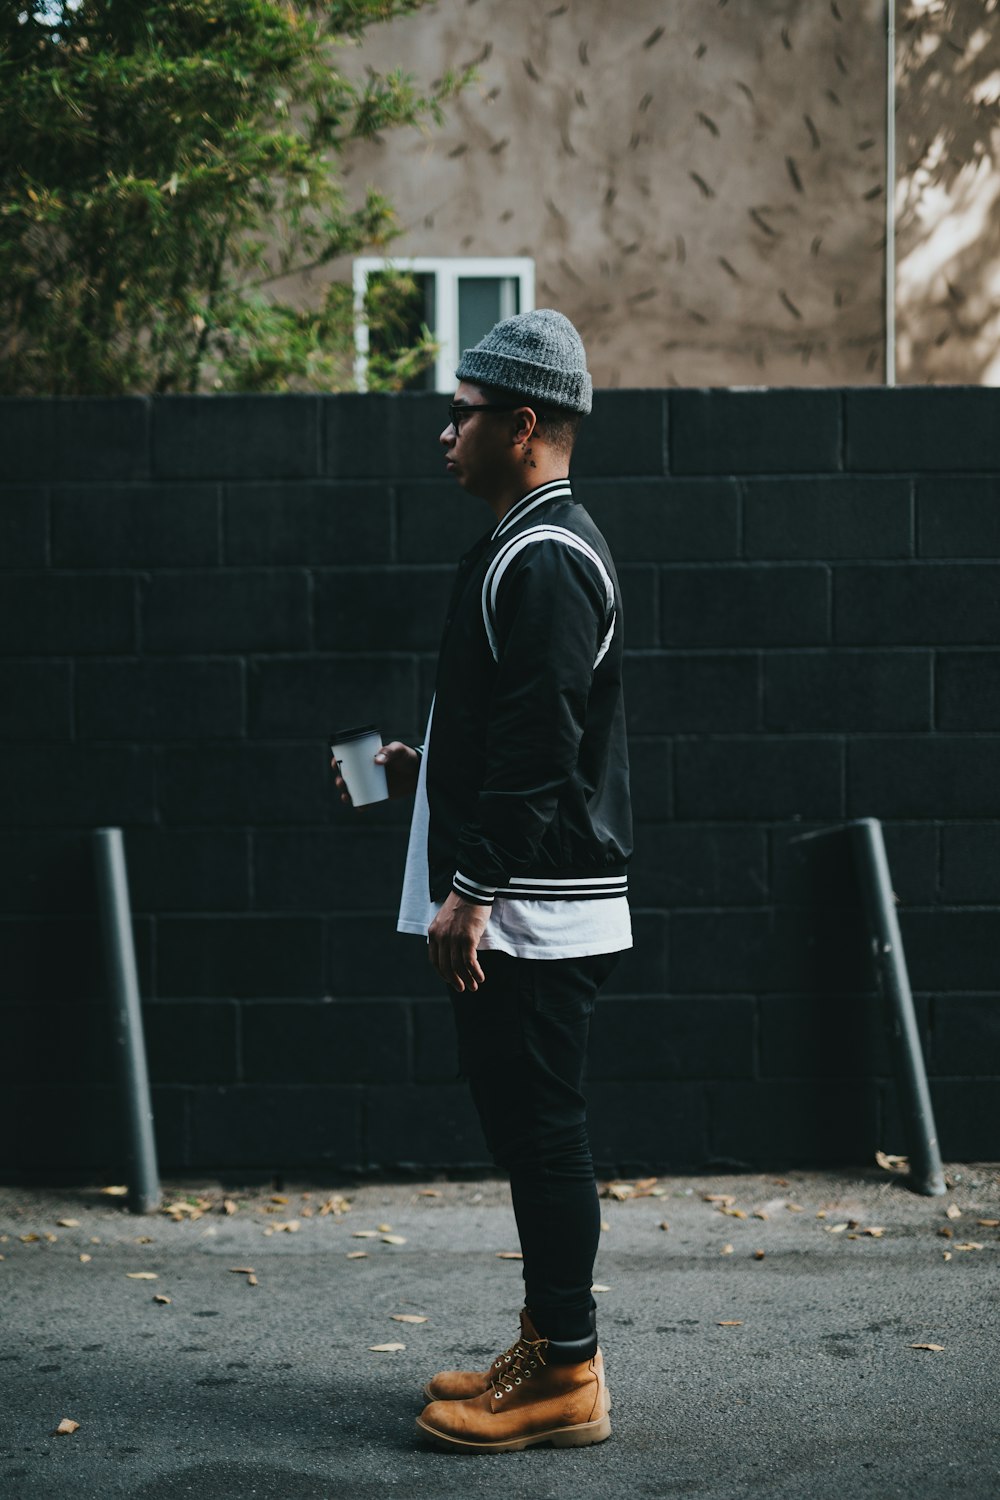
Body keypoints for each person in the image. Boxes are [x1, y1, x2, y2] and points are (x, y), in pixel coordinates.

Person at [337, 308, 632, 1453]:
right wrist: (428, 767)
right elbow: (514, 726)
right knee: (526, 1131)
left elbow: (545, 750)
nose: (441, 434)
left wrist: (472, 891)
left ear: (521, 425)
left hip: (532, 915)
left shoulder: (549, 556)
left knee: (545, 1134)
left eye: (458, 416)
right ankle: (552, 1344)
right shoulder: (529, 542)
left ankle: (567, 1376)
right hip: (520, 903)